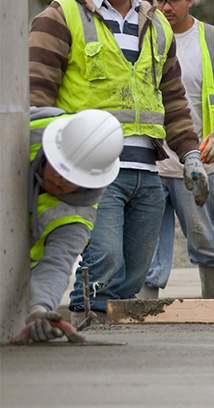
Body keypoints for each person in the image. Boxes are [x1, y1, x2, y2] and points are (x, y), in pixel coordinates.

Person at [29, 0, 207, 320]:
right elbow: (35, 98)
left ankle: (107, 332)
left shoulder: (157, 24)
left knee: (135, 274)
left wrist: (190, 154)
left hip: (148, 170)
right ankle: (79, 320)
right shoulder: (61, 17)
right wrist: (44, 164)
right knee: (104, 261)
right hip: (93, 169)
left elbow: (174, 99)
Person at [140, 0, 214, 300]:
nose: (165, 7)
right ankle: (143, 312)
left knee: (205, 239)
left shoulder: (212, 40)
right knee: (146, 247)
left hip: (195, 164)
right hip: (150, 161)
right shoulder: (144, 35)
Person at [10, 108, 123, 343]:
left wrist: (39, 309)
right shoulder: (29, 126)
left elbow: (56, 265)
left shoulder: (76, 218)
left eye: (73, 179)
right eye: (59, 168)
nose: (59, 181)